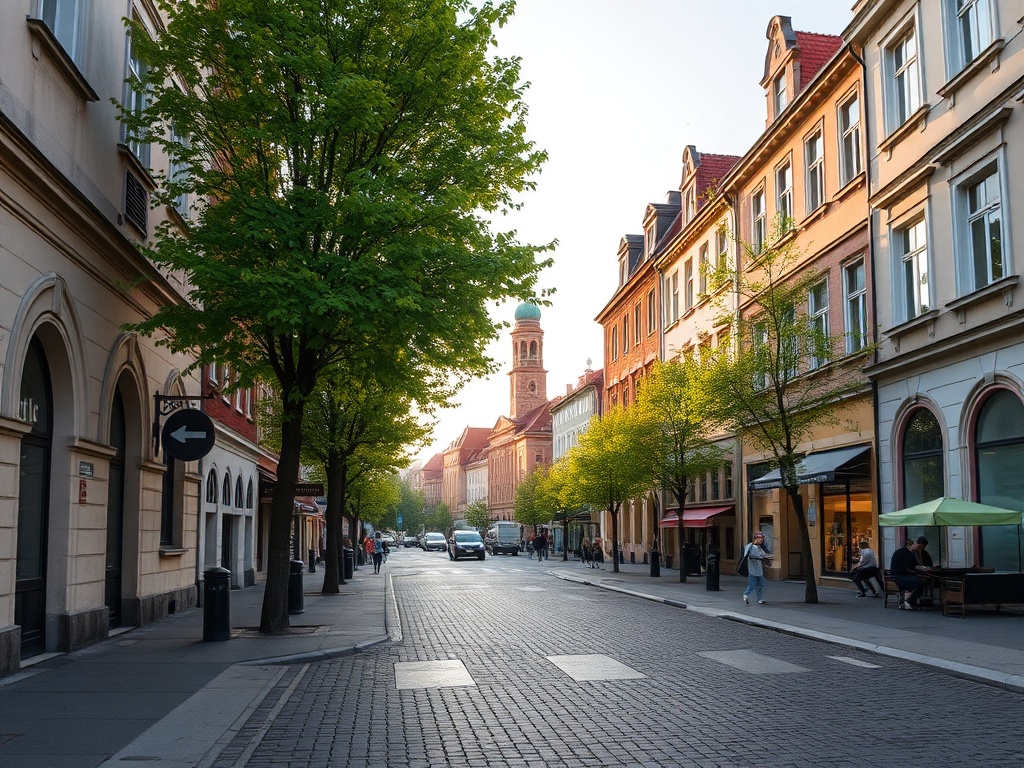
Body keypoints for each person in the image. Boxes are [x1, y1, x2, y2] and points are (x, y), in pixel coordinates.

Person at [890, 538, 928, 609]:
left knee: (921, 581)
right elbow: (912, 567)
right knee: (920, 582)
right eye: (916, 545)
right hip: (900, 576)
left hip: (898, 575)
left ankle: (911, 600)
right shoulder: (907, 553)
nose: (917, 547)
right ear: (912, 545)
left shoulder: (903, 551)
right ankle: (909, 601)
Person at [741, 531, 772, 605]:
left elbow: (765, 554)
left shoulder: (760, 547)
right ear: (756, 538)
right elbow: (746, 556)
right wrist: (757, 557)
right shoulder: (749, 546)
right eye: (760, 538)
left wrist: (765, 558)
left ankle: (760, 599)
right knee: (752, 584)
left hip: (759, 568)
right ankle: (745, 595)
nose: (761, 540)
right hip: (751, 568)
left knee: (761, 584)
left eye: (762, 538)